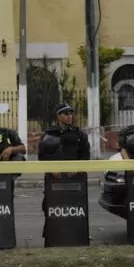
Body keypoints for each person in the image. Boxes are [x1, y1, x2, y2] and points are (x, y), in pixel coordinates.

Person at [37, 103, 91, 241]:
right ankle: (51, 236)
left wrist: (77, 169)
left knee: (75, 208)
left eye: (71, 113)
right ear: (58, 116)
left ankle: (75, 236)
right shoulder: (49, 134)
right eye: (66, 113)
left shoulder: (79, 134)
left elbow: (86, 156)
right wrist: (51, 169)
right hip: (54, 178)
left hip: (75, 178)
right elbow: (41, 156)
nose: (69, 116)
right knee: (50, 207)